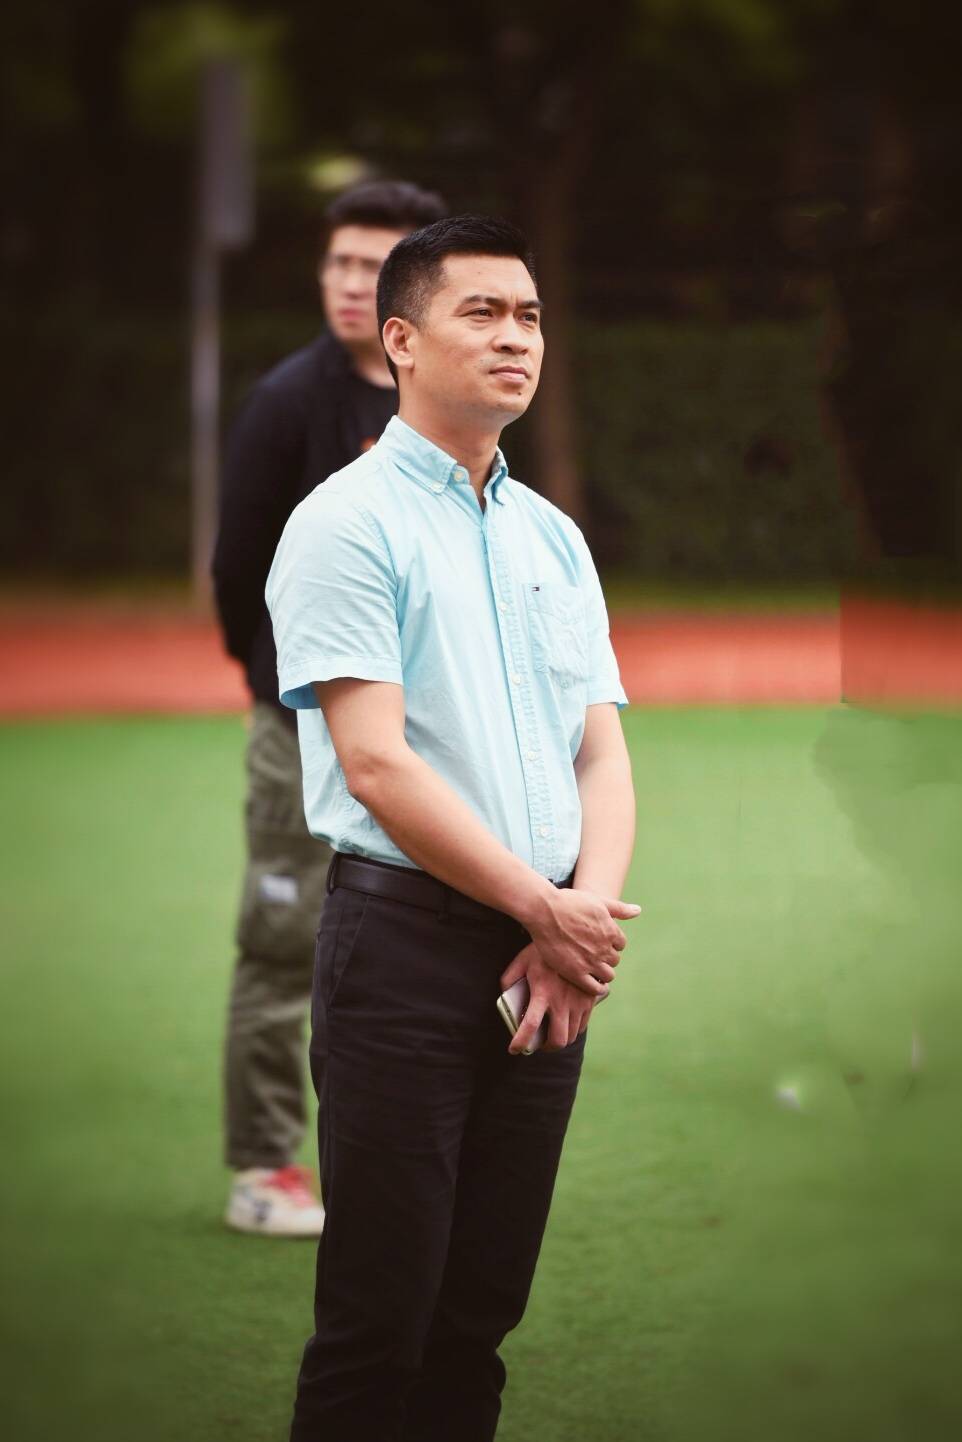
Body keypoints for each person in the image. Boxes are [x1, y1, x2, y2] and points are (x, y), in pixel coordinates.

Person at [267, 214, 639, 1438]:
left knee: (476, 1318)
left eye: (528, 314)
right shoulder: (344, 521)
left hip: (547, 960)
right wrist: (544, 908)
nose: (513, 336)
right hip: (404, 952)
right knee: (378, 1322)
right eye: (480, 312)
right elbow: (374, 762)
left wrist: (577, 924)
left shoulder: (551, 536)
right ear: (400, 340)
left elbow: (600, 751)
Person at [211, 179, 447, 1237]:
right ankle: (266, 1165)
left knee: (412, 940)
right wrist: (279, 687)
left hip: (419, 730)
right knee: (281, 939)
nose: (352, 283)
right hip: (300, 724)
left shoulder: (441, 399)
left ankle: (405, 1154)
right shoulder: (285, 403)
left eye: (376, 265)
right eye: (340, 262)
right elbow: (237, 569)